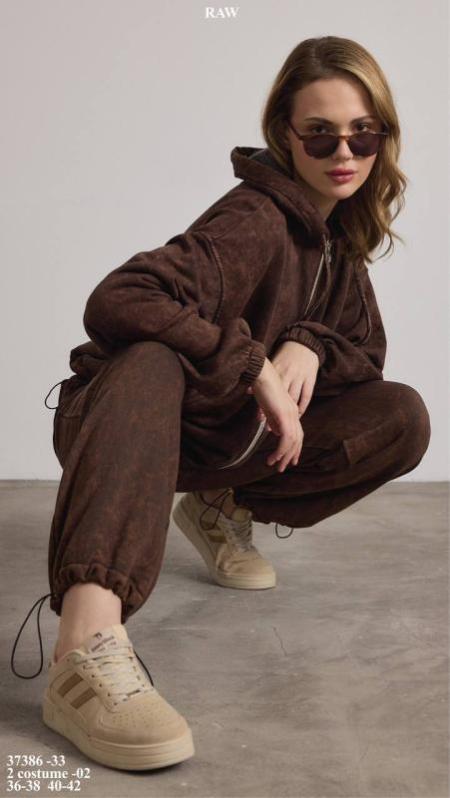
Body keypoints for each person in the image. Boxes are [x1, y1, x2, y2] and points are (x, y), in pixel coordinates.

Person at [10, 35, 431, 771]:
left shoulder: (338, 236)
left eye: (363, 133)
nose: (345, 152)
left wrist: (307, 342)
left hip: (216, 436)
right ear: (285, 136)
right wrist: (253, 366)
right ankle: (84, 648)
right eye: (321, 134)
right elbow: (120, 296)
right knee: (149, 357)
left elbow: (367, 354)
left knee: (401, 416)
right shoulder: (256, 218)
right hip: (122, 422)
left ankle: (219, 506)